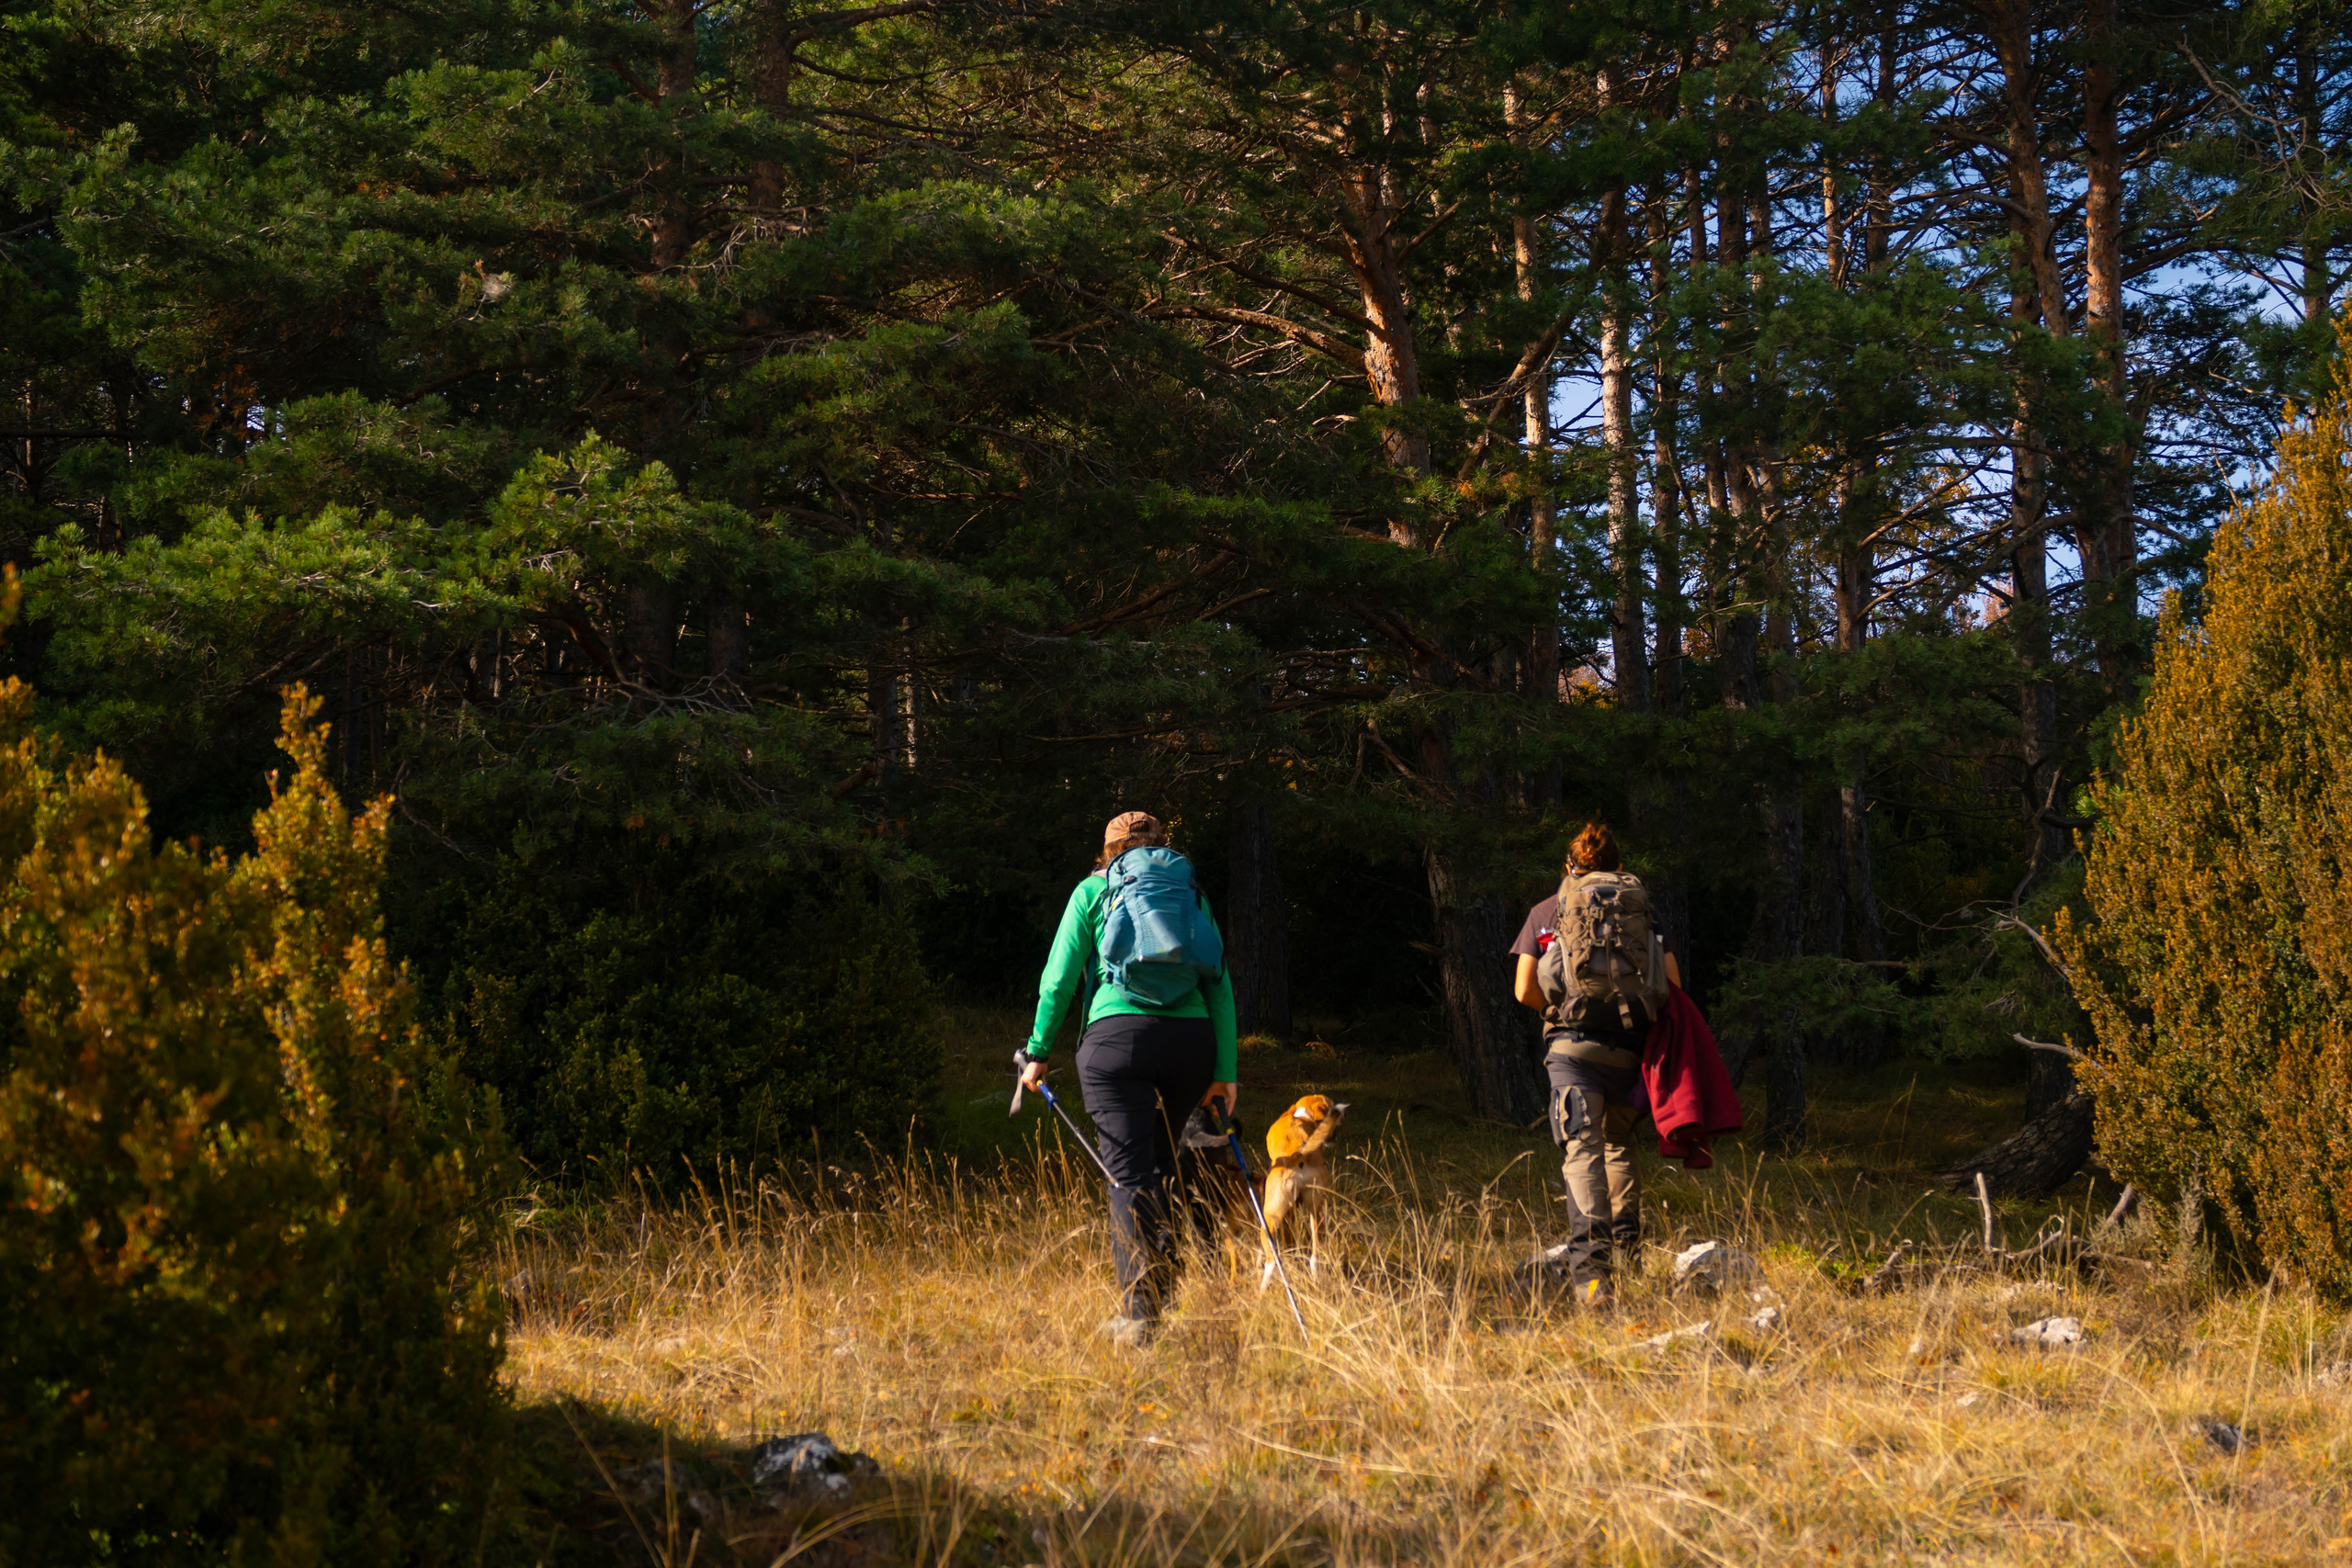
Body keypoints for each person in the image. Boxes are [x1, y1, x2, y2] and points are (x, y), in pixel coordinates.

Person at [1020, 811, 1238, 1347]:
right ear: (1161, 847)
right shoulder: (1190, 892)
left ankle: (1141, 1316)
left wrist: (1038, 1052)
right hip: (1190, 1044)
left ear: (1108, 851)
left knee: (1129, 1177)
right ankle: (1165, 1293)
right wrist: (1225, 1072)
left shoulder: (1094, 890)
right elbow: (1220, 985)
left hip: (1116, 1043)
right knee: (1164, 1166)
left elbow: (1059, 978)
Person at [1509, 822, 1681, 1310]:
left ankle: (1591, 1276)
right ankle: (1628, 1258)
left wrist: (1559, 1012)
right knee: (1620, 1144)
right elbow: (1671, 983)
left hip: (1572, 1053)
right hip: (1629, 1051)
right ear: (1620, 868)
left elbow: (1524, 990)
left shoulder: (1547, 911)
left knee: (1582, 1151)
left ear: (1570, 866)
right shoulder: (1644, 913)